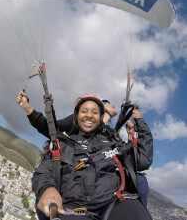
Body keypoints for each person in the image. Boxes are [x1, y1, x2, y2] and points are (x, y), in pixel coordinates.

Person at [18, 93, 153, 220]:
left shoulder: (112, 142)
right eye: (84, 111)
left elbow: (142, 161)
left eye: (94, 112)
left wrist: (140, 122)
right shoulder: (63, 143)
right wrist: (47, 189)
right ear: (76, 116)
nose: (89, 115)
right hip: (74, 206)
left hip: (112, 202)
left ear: (100, 118)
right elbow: (44, 171)